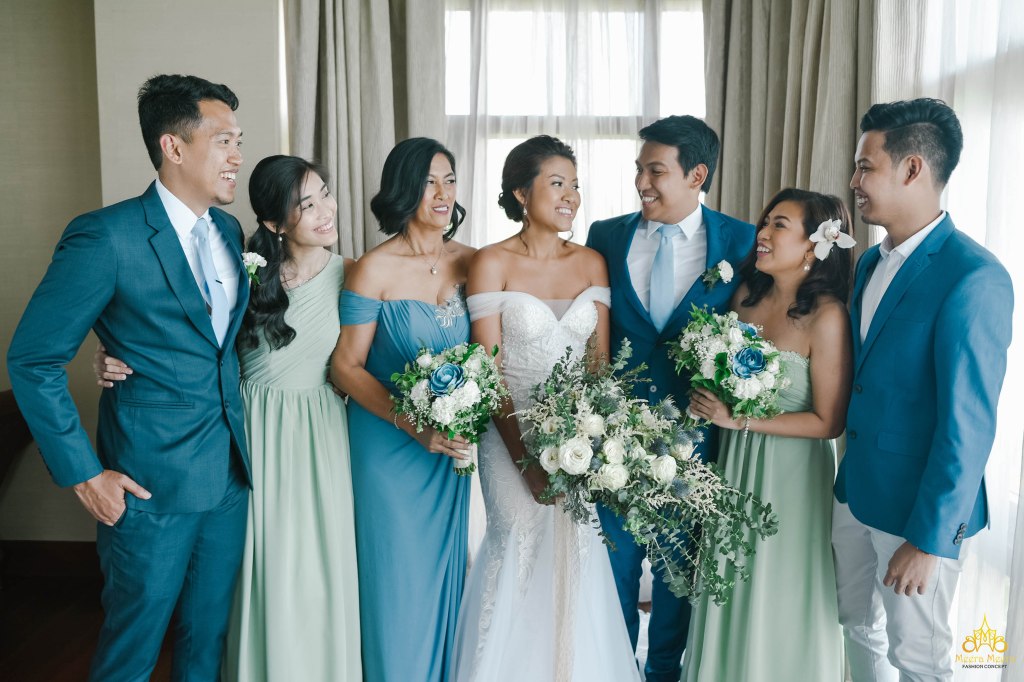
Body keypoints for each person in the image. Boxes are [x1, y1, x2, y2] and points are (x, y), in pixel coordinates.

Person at [7, 74, 251, 681]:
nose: (237, 157)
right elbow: (33, 359)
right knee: (131, 653)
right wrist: (84, 475)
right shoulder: (106, 236)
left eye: (238, 142)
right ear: (174, 147)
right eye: (223, 141)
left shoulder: (227, 232)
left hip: (229, 476)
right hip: (148, 488)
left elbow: (207, 345)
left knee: (207, 642)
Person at [93, 156, 363, 680]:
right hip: (246, 432)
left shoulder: (353, 275)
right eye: (306, 204)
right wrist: (105, 352)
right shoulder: (242, 269)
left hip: (318, 435)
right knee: (245, 573)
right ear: (274, 223)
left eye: (325, 194)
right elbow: (177, 332)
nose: (326, 211)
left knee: (314, 564)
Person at [832, 98, 1012, 681]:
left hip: (917, 512)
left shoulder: (974, 276)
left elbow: (969, 425)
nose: (853, 182)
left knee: (919, 659)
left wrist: (930, 540)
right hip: (856, 492)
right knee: (855, 625)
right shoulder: (868, 263)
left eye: (865, 167)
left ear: (912, 169)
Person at [453, 135, 640, 681]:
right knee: (519, 550)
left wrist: (598, 445)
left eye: (575, 186)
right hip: (508, 436)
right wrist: (527, 461)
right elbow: (487, 373)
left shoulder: (592, 263)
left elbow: (599, 368)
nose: (570, 197)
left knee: (576, 555)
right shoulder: (491, 262)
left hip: (579, 441)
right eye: (557, 184)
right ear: (521, 192)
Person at [585, 115, 754, 681]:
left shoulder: (741, 242)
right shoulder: (605, 236)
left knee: (678, 581)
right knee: (612, 574)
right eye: (639, 169)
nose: (641, 183)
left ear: (696, 175)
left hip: (698, 445)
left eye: (655, 171)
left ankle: (663, 675)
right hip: (612, 443)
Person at [684, 188, 853, 681]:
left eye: (779, 225)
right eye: (766, 222)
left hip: (792, 476)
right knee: (730, 576)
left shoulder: (827, 316)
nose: (762, 233)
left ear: (814, 245)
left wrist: (739, 419)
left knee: (781, 585)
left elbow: (829, 422)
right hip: (735, 463)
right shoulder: (744, 298)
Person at [330, 137, 476, 682]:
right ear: (402, 189)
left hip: (451, 450)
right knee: (396, 581)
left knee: (446, 576)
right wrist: (414, 425)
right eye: (428, 181)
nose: (442, 193)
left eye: (449, 180)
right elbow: (345, 367)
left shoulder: (474, 262)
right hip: (387, 446)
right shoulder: (373, 268)